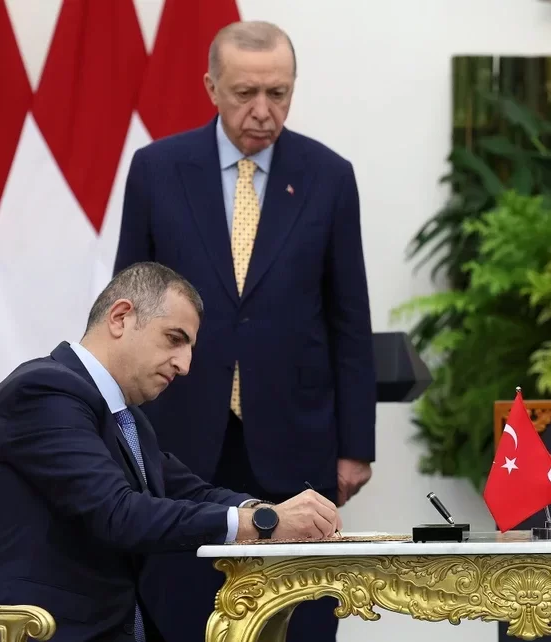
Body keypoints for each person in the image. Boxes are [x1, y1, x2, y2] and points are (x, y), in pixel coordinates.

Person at [113, 20, 375, 642]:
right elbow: (127, 307)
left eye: (278, 94)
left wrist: (355, 446)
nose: (262, 111)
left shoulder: (329, 176)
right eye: (245, 93)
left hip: (296, 439)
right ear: (211, 87)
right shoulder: (156, 170)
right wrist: (116, 425)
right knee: (182, 614)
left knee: (301, 619)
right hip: (179, 436)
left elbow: (349, 319)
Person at [0, 262, 342, 642]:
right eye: (174, 339)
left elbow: (193, 492)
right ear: (120, 317)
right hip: (29, 629)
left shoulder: (128, 419)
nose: (185, 365)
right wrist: (264, 523)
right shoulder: (43, 391)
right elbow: (119, 513)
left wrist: (271, 510)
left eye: (190, 348)